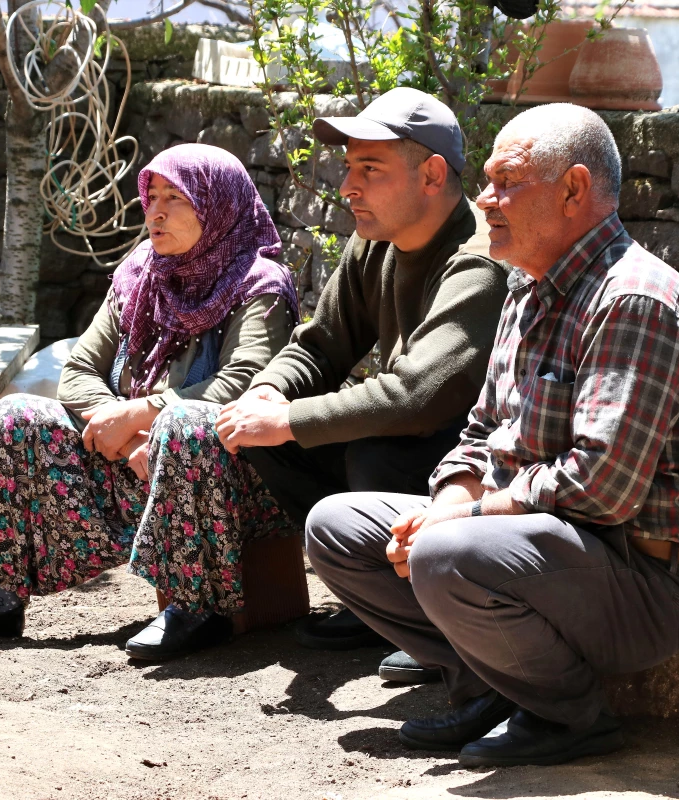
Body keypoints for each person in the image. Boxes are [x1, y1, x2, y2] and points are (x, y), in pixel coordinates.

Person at [305, 103, 679, 767]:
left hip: (640, 581)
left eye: (506, 183)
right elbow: (480, 433)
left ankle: (567, 714)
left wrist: (464, 520)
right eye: (488, 182)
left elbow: (602, 489)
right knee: (336, 527)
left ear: (573, 190)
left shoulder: (633, 298)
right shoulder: (529, 288)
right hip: (539, 547)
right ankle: (486, 687)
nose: (484, 199)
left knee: (449, 553)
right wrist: (447, 506)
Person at [0, 143, 301, 661]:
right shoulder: (140, 275)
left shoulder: (257, 283)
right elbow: (80, 372)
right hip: (136, 458)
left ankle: (197, 607)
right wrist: (126, 435)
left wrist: (143, 413)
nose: (156, 211)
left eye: (176, 198)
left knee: (186, 426)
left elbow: (246, 381)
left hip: (230, 478)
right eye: (152, 196)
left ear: (217, 206)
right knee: (15, 417)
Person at [210, 87, 508, 681]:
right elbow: (320, 344)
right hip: (414, 437)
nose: (349, 187)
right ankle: (373, 601)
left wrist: (291, 419)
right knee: (264, 437)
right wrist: (269, 394)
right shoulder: (375, 239)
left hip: (476, 468)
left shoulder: (477, 260)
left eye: (370, 169)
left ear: (431, 174)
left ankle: (430, 621)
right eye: (349, 167)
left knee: (375, 450)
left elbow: (419, 397)